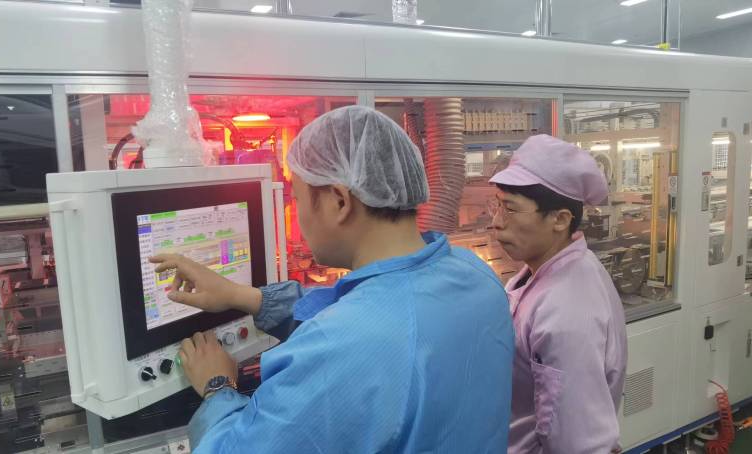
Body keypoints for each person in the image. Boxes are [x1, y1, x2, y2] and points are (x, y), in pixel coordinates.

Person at [150, 105, 513, 453]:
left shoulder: (341, 348)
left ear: (339, 201)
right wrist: (245, 296)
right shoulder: (474, 273)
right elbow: (373, 308)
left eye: (297, 198)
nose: (297, 215)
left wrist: (218, 388)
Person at [488, 134, 627, 453]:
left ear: (560, 220)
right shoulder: (547, 272)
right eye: (497, 205)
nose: (496, 222)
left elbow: (579, 441)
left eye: (510, 209)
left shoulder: (566, 312)